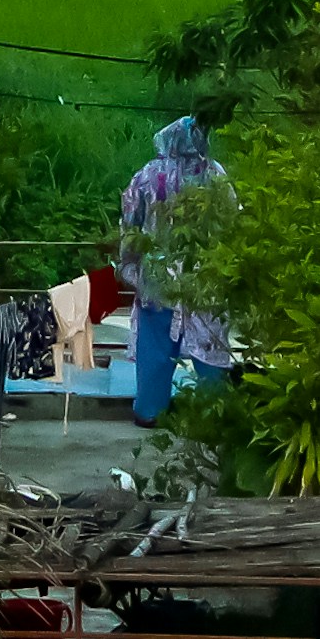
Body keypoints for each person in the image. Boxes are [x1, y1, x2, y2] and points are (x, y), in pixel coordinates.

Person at [120, 114, 236, 425]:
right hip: (206, 277)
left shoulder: (147, 176)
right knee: (210, 345)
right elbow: (232, 225)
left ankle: (150, 410)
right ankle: (215, 416)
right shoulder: (215, 176)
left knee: (155, 347)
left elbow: (130, 223)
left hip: (159, 279)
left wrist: (129, 263)